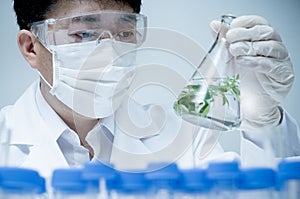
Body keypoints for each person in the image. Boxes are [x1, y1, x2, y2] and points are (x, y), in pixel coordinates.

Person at [0, 0, 299, 178]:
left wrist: (264, 121)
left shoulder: (183, 140)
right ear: (31, 48)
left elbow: (267, 191)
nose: (109, 51)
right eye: (84, 33)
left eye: (125, 32)